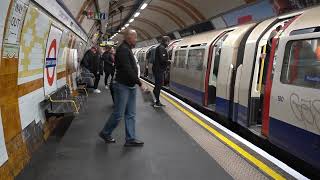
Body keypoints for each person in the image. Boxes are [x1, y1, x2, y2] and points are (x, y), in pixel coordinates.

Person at [99, 29, 147, 146]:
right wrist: (140, 83)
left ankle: (130, 139)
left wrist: (136, 82)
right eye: (135, 37)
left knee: (131, 114)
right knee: (119, 114)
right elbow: (127, 69)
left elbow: (131, 68)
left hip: (130, 86)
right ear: (128, 38)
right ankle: (105, 132)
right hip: (122, 86)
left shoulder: (127, 49)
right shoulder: (123, 50)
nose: (136, 40)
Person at [152, 36, 171, 107]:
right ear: (166, 41)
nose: (169, 43)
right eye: (168, 41)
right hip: (159, 70)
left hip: (158, 69)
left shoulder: (159, 47)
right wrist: (169, 61)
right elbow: (163, 60)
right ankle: (157, 102)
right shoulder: (161, 48)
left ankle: (156, 100)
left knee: (158, 85)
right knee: (158, 86)